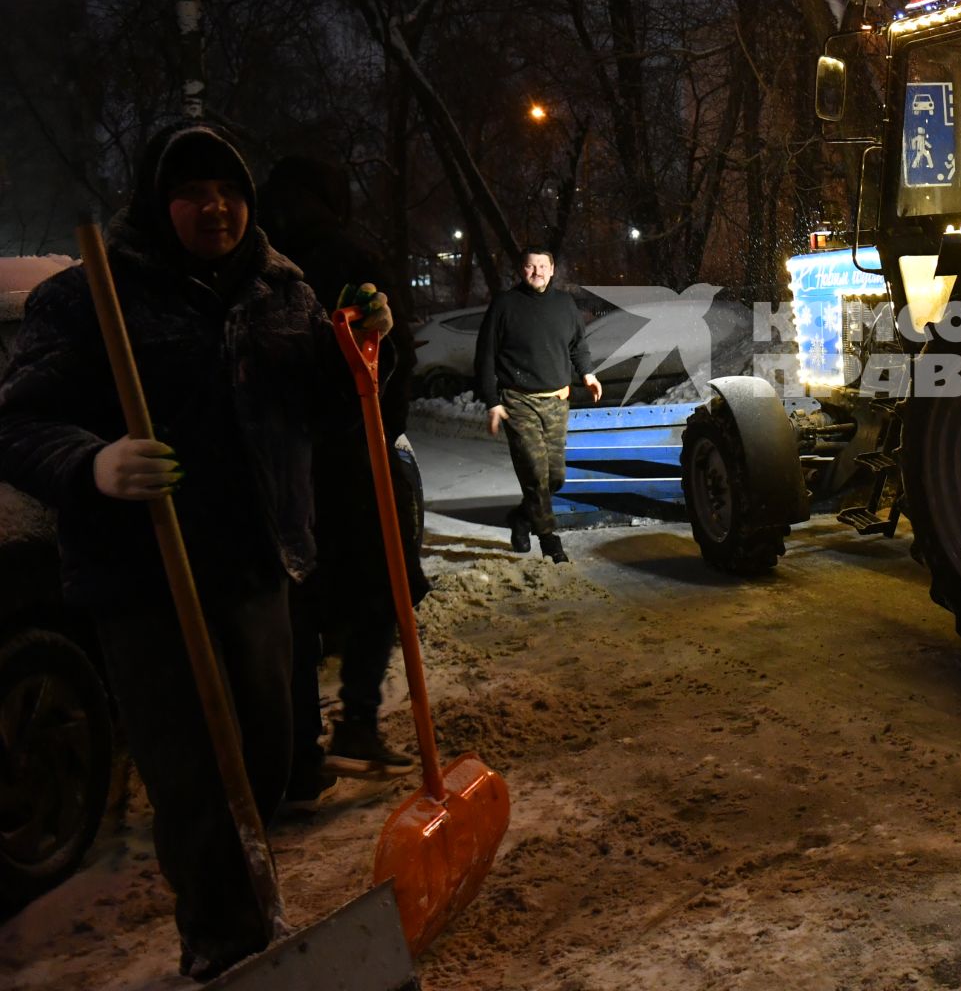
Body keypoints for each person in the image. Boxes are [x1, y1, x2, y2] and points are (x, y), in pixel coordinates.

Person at [0, 121, 392, 980]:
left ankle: (251, 922)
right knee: (192, 777)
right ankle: (224, 945)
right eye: (193, 193)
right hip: (143, 578)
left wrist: (358, 352)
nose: (216, 207)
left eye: (230, 190)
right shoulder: (92, 295)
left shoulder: (280, 288)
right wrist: (91, 462)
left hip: (254, 565)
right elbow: (17, 421)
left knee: (262, 758)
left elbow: (318, 408)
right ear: (157, 201)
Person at [260, 156, 427, 805]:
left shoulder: (256, 261)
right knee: (385, 587)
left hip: (279, 465)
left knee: (297, 607)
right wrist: (383, 427)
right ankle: (357, 718)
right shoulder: (345, 256)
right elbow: (396, 353)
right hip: (353, 461)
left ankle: (299, 753)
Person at [476, 246, 601, 561]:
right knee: (534, 473)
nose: (537, 272)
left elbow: (577, 344)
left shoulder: (564, 304)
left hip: (558, 401)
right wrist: (492, 401)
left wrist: (587, 374)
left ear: (553, 268)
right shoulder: (505, 305)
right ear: (522, 269)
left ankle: (521, 517)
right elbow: (485, 355)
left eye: (543, 266)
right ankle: (549, 539)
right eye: (531, 267)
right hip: (518, 401)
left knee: (554, 478)